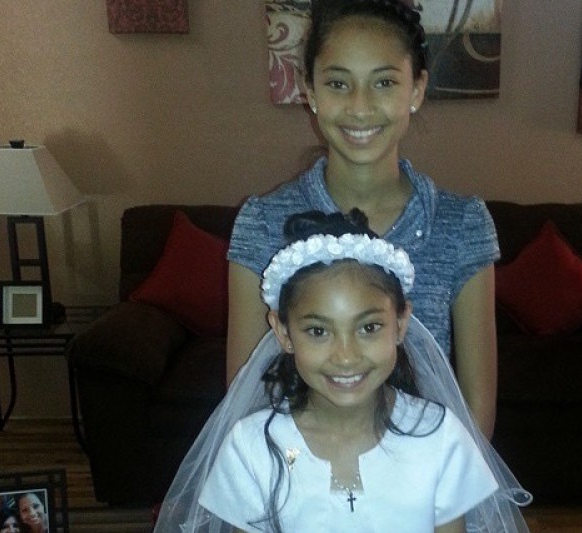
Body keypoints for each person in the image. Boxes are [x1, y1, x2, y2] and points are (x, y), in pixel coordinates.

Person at [154, 211, 530, 532]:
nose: (346, 357)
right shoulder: (251, 448)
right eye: (318, 331)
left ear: (400, 324)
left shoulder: (439, 438)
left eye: (369, 327)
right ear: (283, 332)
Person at [227, 0, 501, 438]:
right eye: (338, 83)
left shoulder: (462, 224)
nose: (360, 106)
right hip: (299, 473)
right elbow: (245, 403)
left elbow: (476, 416)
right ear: (310, 91)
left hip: (428, 472)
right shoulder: (261, 223)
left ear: (416, 90)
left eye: (384, 82)